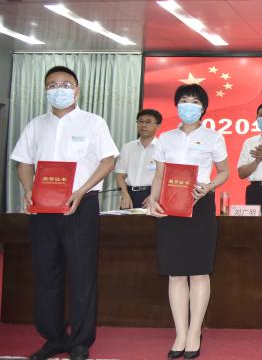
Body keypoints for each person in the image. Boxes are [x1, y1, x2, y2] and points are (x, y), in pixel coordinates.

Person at [10, 66, 119, 360]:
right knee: (46, 273)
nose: (59, 89)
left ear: (77, 90)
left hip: (80, 205)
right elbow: (23, 162)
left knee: (82, 274)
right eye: (52, 85)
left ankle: (80, 342)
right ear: (45, 90)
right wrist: (28, 189)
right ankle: (54, 337)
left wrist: (81, 190)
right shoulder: (36, 125)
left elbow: (108, 161)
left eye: (65, 84)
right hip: (42, 208)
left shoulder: (93, 122)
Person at [147, 84, 229, 359]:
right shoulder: (165, 138)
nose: (189, 105)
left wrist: (209, 186)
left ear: (203, 108)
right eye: (184, 100)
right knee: (175, 272)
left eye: (195, 101)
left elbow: (224, 172)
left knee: (199, 271)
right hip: (169, 205)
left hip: (200, 204)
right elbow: (159, 175)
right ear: (176, 105)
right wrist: (153, 200)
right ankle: (180, 333)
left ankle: (195, 332)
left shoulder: (213, 137)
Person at [115, 109, 162, 209]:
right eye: (140, 121)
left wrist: (154, 196)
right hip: (129, 195)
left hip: (152, 195)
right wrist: (125, 196)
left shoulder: (162, 148)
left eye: (148, 122)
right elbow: (120, 176)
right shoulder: (128, 147)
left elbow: (165, 178)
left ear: (158, 126)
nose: (143, 125)